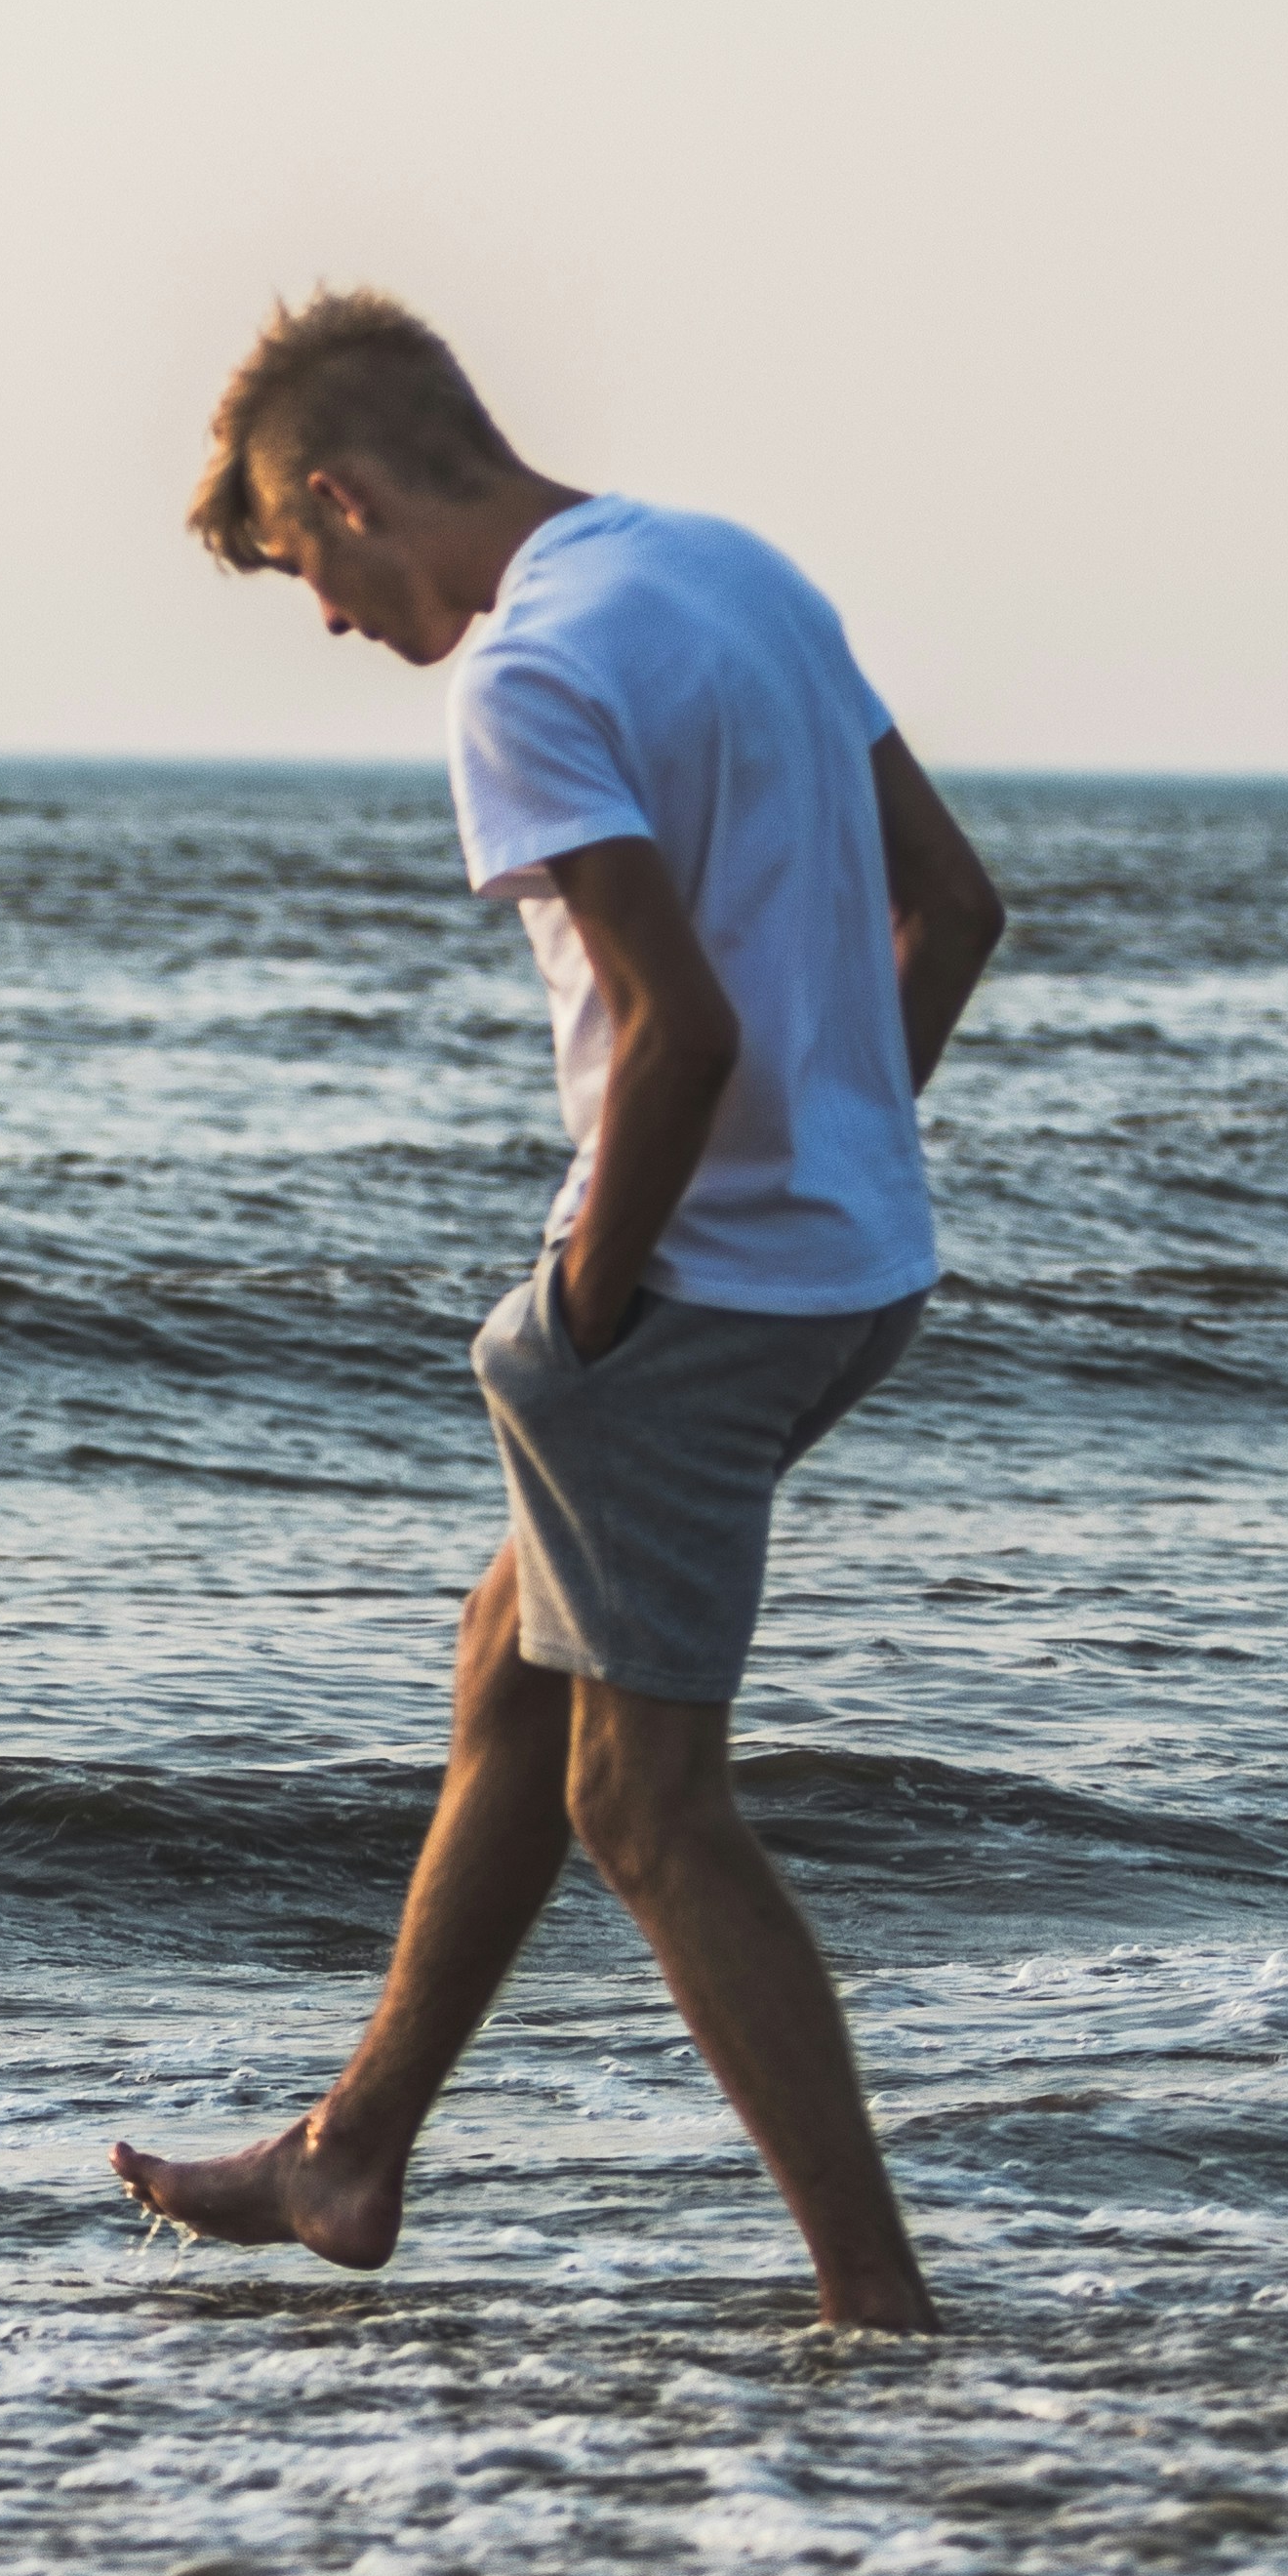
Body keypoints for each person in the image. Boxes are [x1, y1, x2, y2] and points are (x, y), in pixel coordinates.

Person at [112, 290, 1003, 2333]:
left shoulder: (523, 672)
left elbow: (679, 1034)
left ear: (337, 494)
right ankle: (351, 2149)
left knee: (644, 1804)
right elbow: (953, 905)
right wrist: (841, 1149)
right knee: (512, 1649)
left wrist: (600, 1304)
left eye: (297, 565)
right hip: (845, 1264)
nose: (326, 617)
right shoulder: (730, 568)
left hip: (692, 1289)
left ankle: (880, 2303)